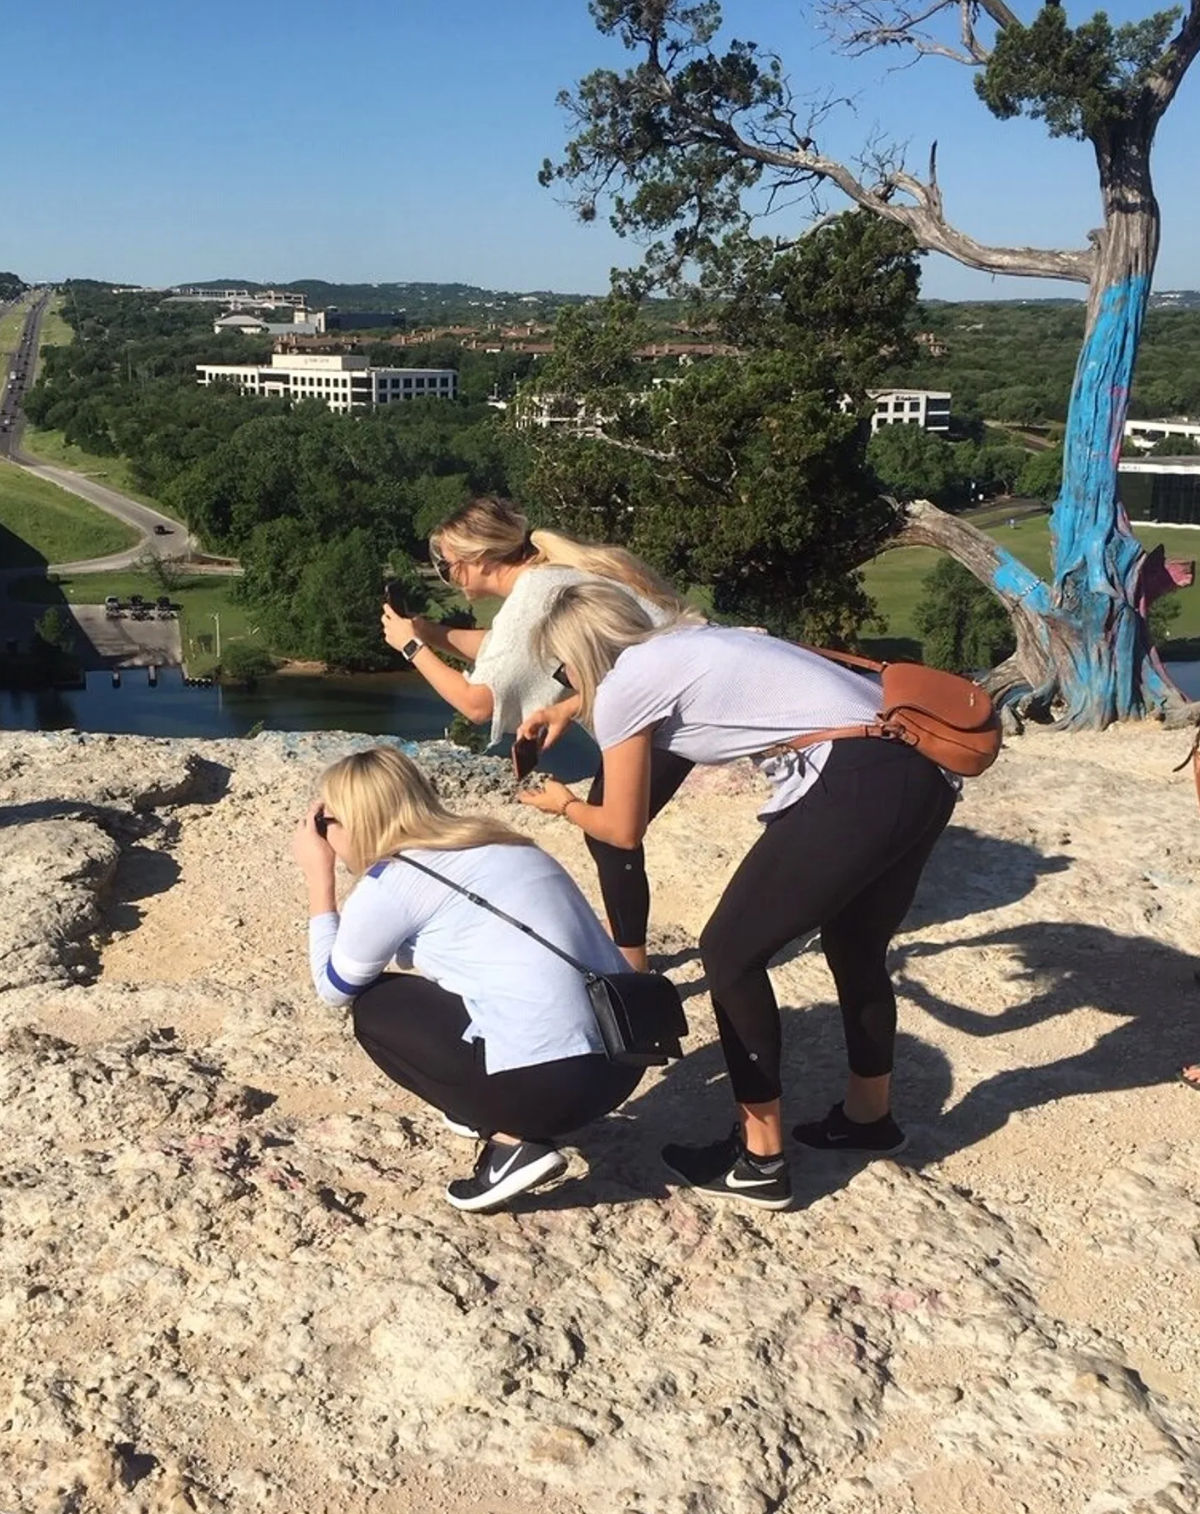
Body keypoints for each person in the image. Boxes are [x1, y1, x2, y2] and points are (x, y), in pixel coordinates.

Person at [518, 582, 957, 1211]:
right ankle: (867, 1119)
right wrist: (571, 706)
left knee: (728, 952)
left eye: (561, 667)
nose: (565, 680)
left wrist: (561, 802)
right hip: (921, 774)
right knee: (856, 945)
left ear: (577, 654)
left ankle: (760, 1158)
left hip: (851, 783)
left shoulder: (623, 689)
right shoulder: (695, 641)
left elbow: (620, 828)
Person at [292, 744, 645, 1213]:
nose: (322, 834)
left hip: (555, 1091)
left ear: (355, 821)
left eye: (325, 821)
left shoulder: (392, 883)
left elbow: (332, 988)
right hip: (625, 1061)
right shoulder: (500, 840)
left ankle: (510, 1144)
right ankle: (488, 1102)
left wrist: (320, 880)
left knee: (376, 1005)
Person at [381, 495, 702, 970]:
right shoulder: (546, 575)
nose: (446, 575)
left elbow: (477, 703)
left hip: (671, 713)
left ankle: (632, 970)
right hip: (684, 687)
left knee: (611, 832)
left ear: (480, 560)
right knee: (612, 833)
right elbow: (502, 651)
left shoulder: (532, 599)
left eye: (447, 566)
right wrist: (430, 632)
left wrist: (410, 648)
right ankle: (630, 956)